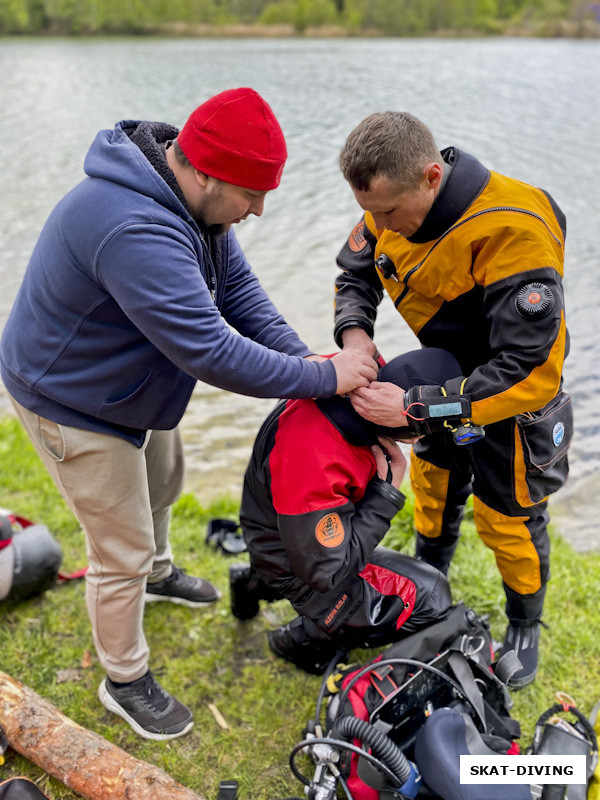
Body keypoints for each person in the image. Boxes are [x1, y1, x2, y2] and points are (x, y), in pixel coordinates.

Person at [0, 87, 377, 740]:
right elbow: (213, 351)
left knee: (164, 483)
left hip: (128, 388)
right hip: (70, 399)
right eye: (251, 194)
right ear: (204, 171)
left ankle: (161, 573)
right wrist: (324, 376)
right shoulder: (130, 226)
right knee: (121, 549)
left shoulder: (193, 202)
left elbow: (240, 295)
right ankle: (124, 678)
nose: (258, 210)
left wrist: (313, 370)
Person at [333, 111, 572, 689]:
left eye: (388, 211)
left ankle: (524, 624)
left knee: (507, 520)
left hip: (511, 399)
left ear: (432, 176)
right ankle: (425, 587)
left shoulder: (511, 231)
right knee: (433, 489)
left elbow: (531, 371)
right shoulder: (386, 199)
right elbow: (355, 274)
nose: (379, 223)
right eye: (371, 210)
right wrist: (355, 330)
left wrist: (413, 410)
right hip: (445, 376)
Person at [231, 349, 461, 675]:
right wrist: (385, 497)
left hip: (277, 532)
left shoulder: (354, 373)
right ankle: (302, 640)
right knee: (433, 597)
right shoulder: (317, 457)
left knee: (301, 554)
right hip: (302, 564)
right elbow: (328, 573)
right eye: (423, 434)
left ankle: (253, 581)